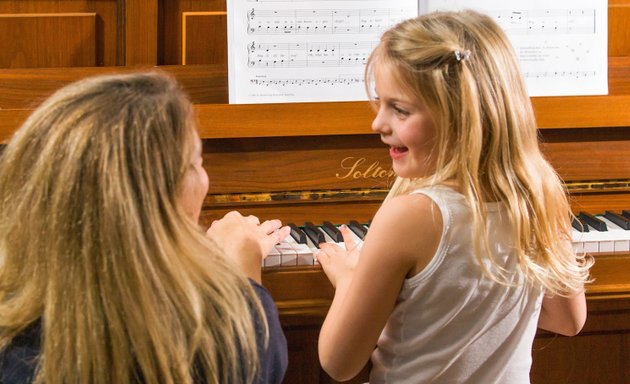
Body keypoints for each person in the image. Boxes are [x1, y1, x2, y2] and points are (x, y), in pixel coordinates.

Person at [316, 10, 593, 384]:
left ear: (459, 115)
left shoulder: (411, 215)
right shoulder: (539, 194)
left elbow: (339, 362)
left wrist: (348, 280)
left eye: (399, 109)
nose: (377, 124)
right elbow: (568, 320)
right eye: (380, 103)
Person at [0, 71, 290, 384]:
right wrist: (239, 277)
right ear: (151, 205)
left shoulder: (16, 339)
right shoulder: (225, 333)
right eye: (195, 162)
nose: (203, 177)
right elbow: (257, 358)